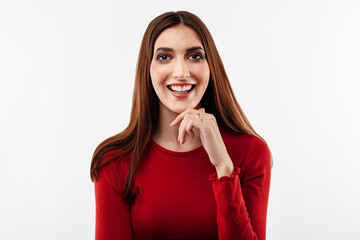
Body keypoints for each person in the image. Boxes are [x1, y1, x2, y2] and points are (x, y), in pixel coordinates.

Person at [90, 10, 273, 240]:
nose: (181, 72)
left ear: (210, 66)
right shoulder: (115, 161)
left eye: (194, 56)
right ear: (147, 70)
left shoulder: (251, 153)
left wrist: (224, 167)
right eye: (164, 57)